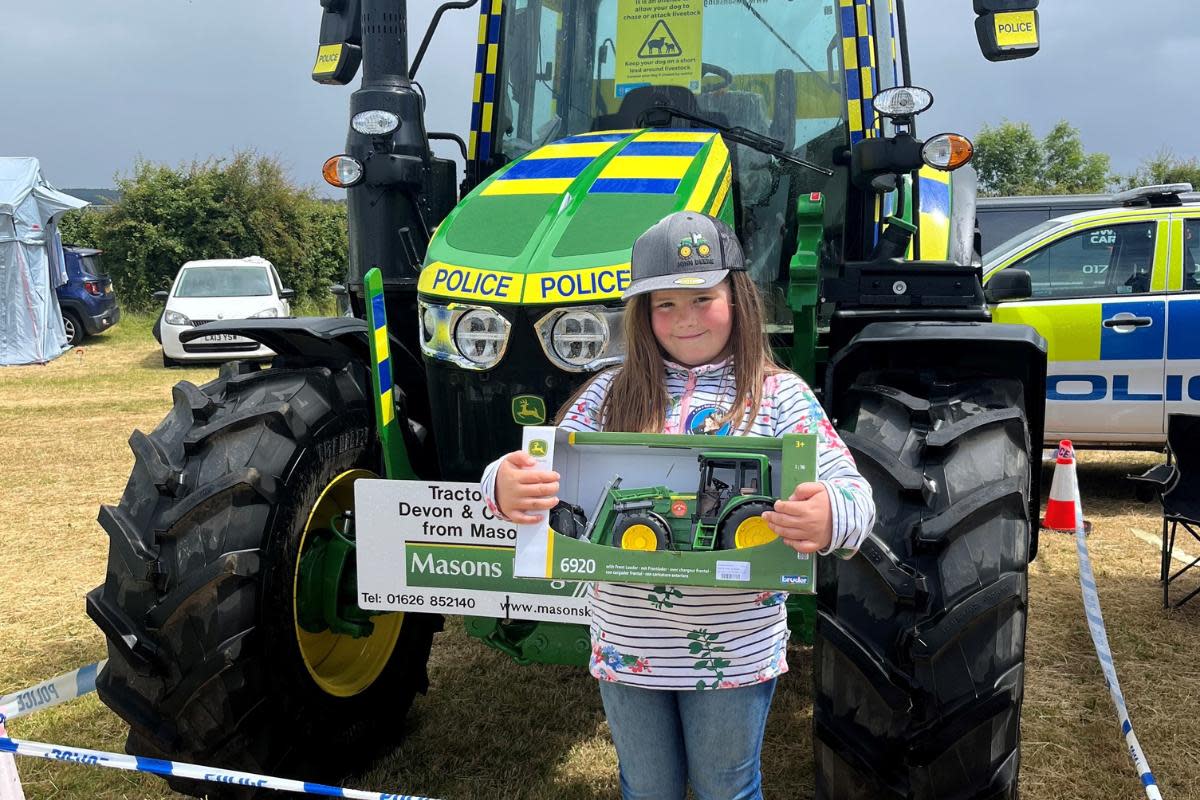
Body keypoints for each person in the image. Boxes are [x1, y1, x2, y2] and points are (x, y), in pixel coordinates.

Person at [480, 211, 875, 800]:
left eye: (701, 298)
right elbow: (536, 466)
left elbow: (855, 495)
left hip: (733, 654)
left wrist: (828, 515)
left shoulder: (778, 396)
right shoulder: (610, 392)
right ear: (643, 314)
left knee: (727, 788)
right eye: (664, 304)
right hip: (626, 646)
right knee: (646, 788)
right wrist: (503, 485)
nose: (685, 319)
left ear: (737, 298)